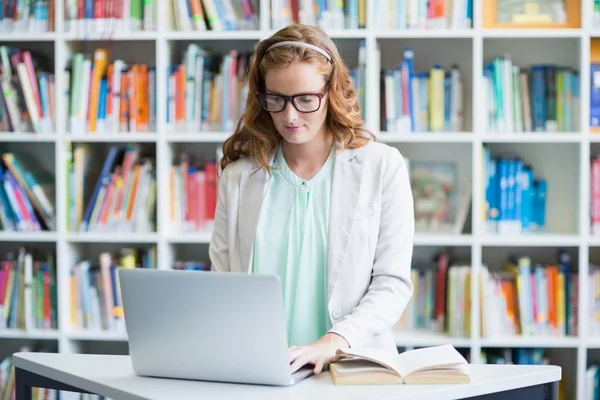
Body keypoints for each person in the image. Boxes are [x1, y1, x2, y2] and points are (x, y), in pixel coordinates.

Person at [209, 24, 414, 376]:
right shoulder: (239, 178)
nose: (289, 116)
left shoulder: (380, 166)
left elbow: (392, 283)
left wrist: (334, 340)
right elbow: (223, 285)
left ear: (331, 92)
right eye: (276, 100)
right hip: (261, 372)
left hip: (351, 367)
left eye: (306, 100)